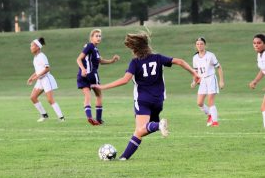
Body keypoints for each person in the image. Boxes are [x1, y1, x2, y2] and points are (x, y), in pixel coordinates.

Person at [92, 31, 200, 160]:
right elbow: (180, 61)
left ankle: (159, 125)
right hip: (158, 100)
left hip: (143, 100)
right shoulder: (158, 58)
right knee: (142, 130)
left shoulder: (135, 62)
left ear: (135, 49)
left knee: (140, 130)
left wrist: (103, 86)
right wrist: (194, 73)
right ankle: (123, 158)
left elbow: (125, 80)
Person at [76, 29, 120, 125]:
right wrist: (83, 69)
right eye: (96, 36)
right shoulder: (90, 46)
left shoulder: (95, 49)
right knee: (99, 95)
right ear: (91, 37)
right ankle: (99, 119)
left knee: (87, 96)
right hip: (91, 75)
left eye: (100, 36)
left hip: (82, 75)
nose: (99, 38)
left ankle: (90, 117)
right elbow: (79, 59)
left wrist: (112, 60)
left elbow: (101, 61)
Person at [27, 37, 65, 122]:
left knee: (50, 99)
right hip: (40, 80)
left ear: (37, 47)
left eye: (32, 46)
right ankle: (44, 115)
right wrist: (31, 77)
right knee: (33, 97)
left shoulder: (41, 56)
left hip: (46, 79)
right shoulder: (35, 57)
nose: (31, 47)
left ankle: (61, 118)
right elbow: (38, 71)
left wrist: (37, 76)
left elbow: (47, 68)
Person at [190, 37, 224, 127]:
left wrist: (221, 81)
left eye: (201, 44)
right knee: (199, 103)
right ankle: (210, 114)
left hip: (211, 79)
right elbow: (196, 72)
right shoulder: (195, 57)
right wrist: (194, 81)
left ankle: (215, 122)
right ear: (195, 46)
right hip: (202, 81)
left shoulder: (210, 55)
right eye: (197, 44)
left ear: (205, 45)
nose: (199, 46)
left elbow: (219, 67)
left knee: (210, 101)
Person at [249, 34, 265, 128]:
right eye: (254, 43)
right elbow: (263, 70)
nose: (256, 45)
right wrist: (255, 81)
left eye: (259, 43)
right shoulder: (260, 55)